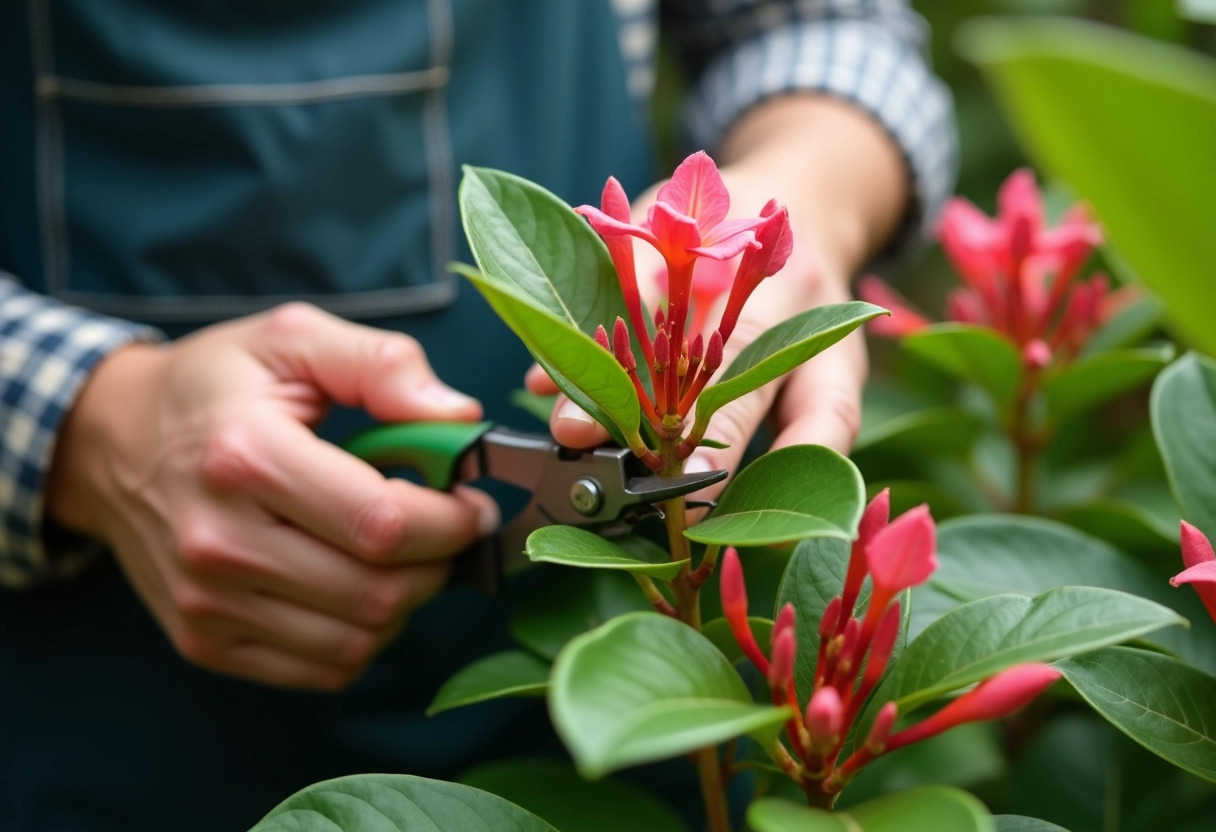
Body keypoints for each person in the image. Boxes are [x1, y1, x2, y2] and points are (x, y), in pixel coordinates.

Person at [0, 1, 955, 829]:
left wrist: (814, 198)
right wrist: (90, 423)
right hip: (79, 690)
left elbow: (825, 29)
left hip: (609, 672)